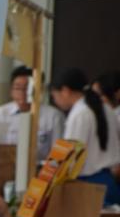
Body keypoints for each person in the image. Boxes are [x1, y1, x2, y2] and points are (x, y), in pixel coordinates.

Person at [50, 67, 120, 206]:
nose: (55, 101)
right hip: (110, 182)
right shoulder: (106, 108)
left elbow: (70, 157)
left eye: (54, 96)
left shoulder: (80, 113)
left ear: (65, 91)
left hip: (88, 185)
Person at [0, 67, 64, 163]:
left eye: (28, 88)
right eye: (18, 88)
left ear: (40, 90)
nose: (23, 93)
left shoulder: (54, 116)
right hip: (6, 167)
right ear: (11, 90)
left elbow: (58, 156)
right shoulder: (0, 114)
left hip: (40, 169)